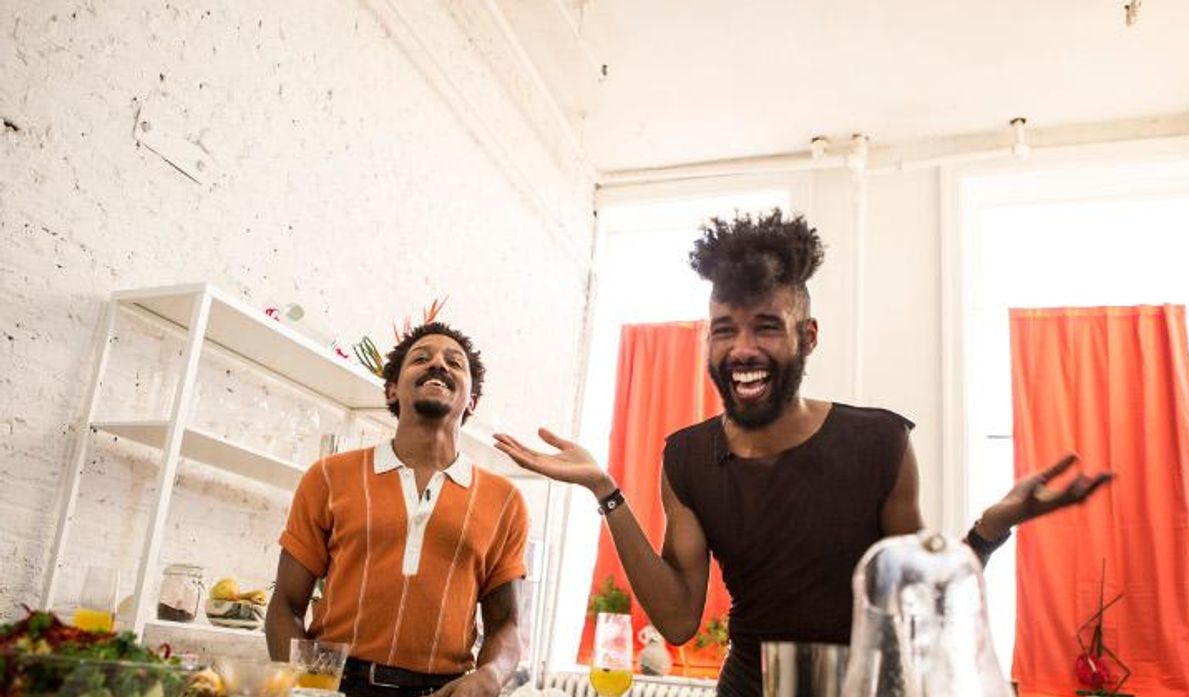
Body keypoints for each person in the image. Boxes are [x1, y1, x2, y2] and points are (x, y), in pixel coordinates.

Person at [493, 210, 1113, 697]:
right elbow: (680, 620)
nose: (742, 348)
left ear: (806, 336)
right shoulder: (685, 458)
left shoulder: (879, 443)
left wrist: (990, 529)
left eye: (766, 326)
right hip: (748, 687)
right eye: (724, 329)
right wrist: (607, 490)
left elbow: (917, 603)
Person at [268, 322, 529, 697]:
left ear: (471, 400)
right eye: (421, 358)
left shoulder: (505, 500)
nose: (438, 364)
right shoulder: (327, 477)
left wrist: (491, 675)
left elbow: (506, 624)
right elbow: (285, 604)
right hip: (336, 685)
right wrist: (307, 686)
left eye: (454, 362)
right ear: (392, 389)